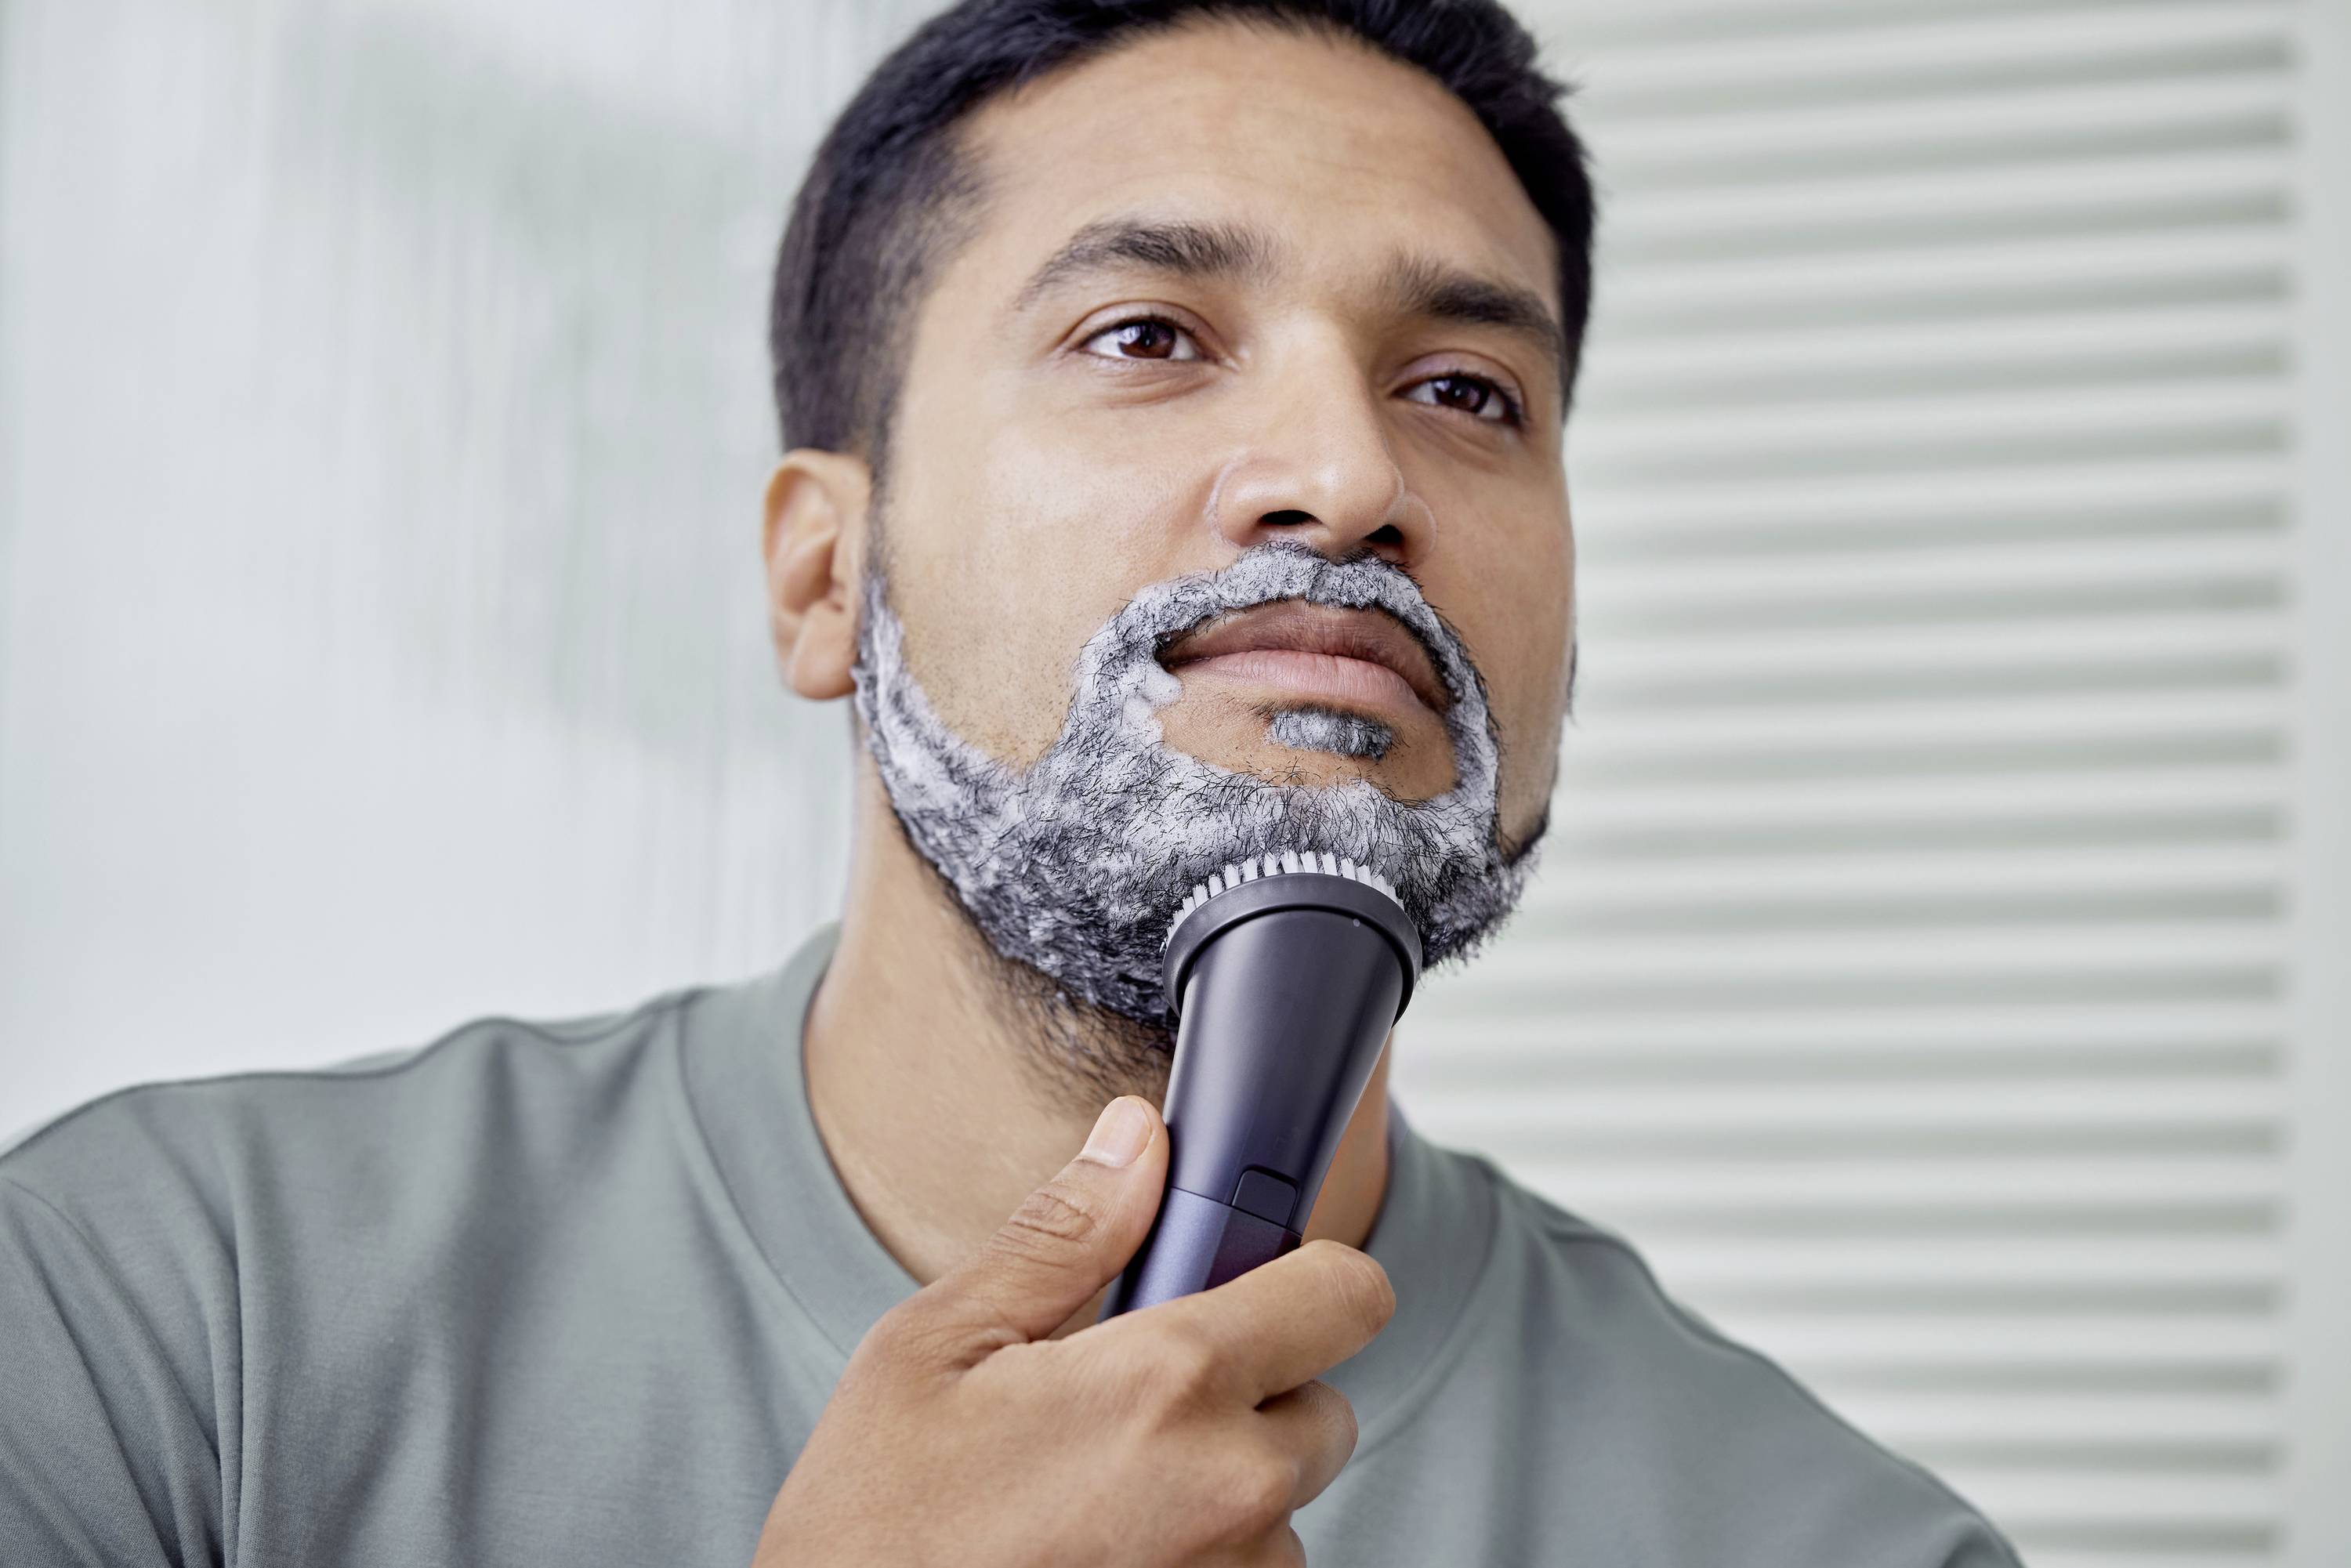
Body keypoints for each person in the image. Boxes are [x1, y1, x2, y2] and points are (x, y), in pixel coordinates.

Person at [0, 2, 2023, 1563]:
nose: (1349, 473)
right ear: (822, 573)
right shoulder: (155, 1323)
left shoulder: (1824, 1536)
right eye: (1149, 332)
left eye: (1466, 390)